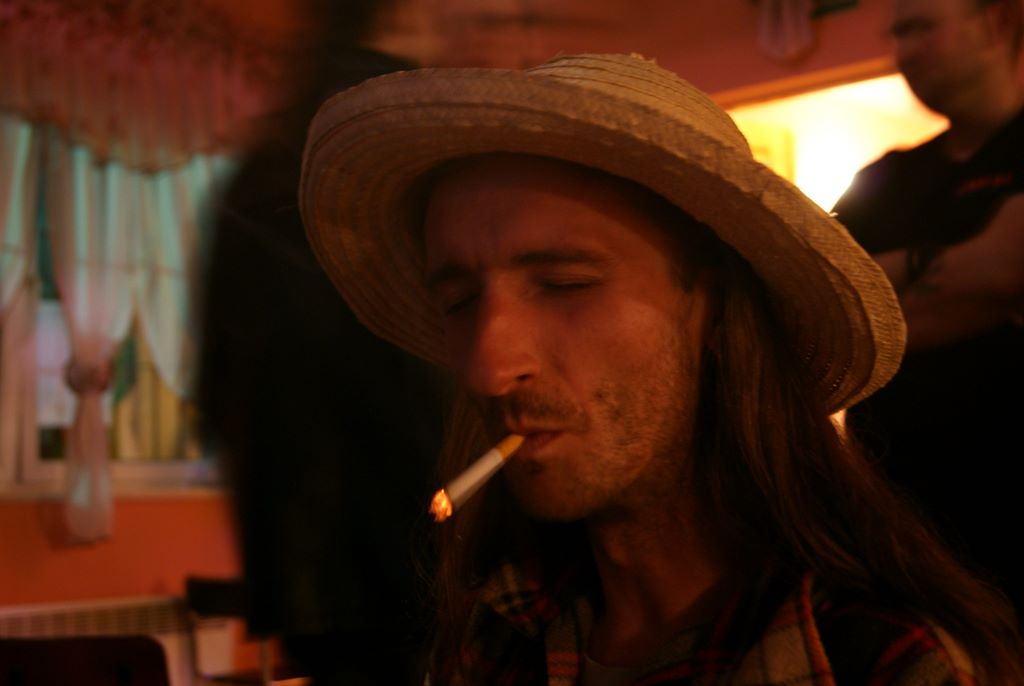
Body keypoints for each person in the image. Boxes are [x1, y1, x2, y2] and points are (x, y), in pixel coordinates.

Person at [299, 54, 1024, 684]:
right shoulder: (496, 636)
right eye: (458, 301)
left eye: (565, 284)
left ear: (713, 308)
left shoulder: (885, 662)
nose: (489, 368)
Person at [196, 6, 449, 683]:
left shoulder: (260, 168)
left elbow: (214, 389)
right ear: (392, 21)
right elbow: (421, 365)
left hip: (295, 554)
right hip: (407, 534)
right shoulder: (401, 137)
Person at [831, 0, 1024, 621]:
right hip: (899, 534)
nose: (902, 53)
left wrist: (877, 291)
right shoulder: (882, 177)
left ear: (996, 23)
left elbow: (1007, 270)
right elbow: (821, 306)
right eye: (897, 34)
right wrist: (969, 271)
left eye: (920, 28)